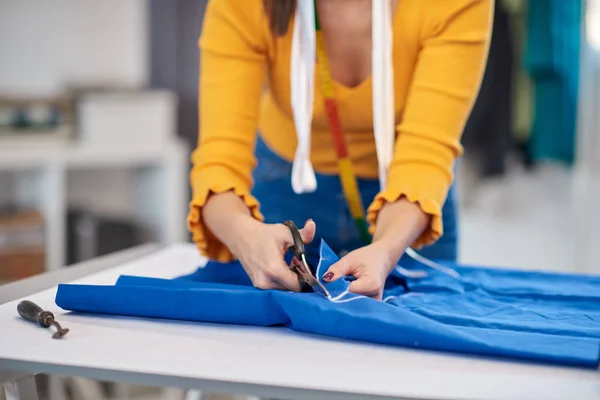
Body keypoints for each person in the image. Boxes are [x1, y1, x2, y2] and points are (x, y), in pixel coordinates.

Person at [187, 0, 492, 300]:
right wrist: (247, 235)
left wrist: (386, 250)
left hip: (411, 206)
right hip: (284, 186)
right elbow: (218, 162)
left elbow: (426, 154)